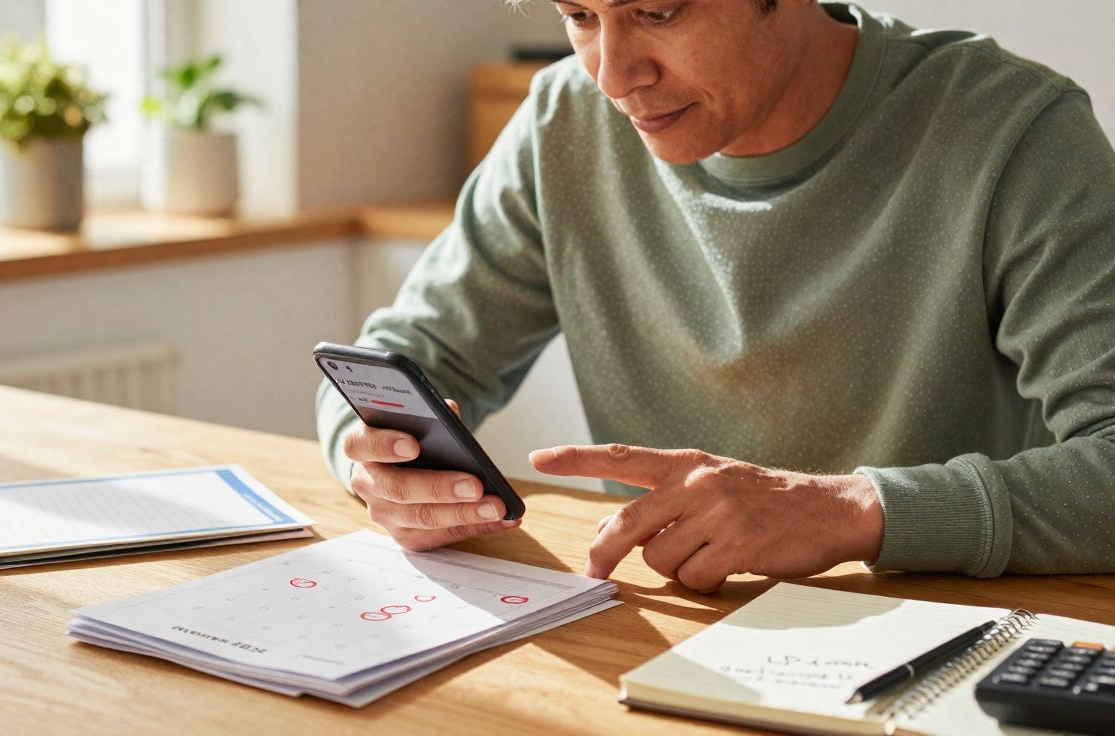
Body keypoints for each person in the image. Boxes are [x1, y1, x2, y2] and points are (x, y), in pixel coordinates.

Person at [315, 0, 1115, 592]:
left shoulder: (1015, 132)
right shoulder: (564, 120)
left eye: (658, 12)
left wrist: (850, 509)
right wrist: (376, 459)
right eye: (580, 15)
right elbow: (408, 356)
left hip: (948, 642)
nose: (614, 74)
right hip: (667, 631)